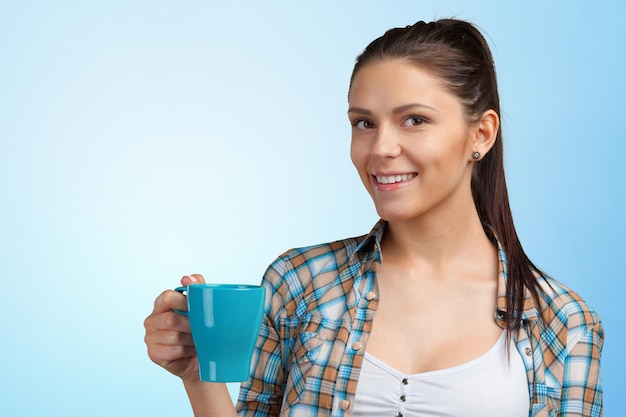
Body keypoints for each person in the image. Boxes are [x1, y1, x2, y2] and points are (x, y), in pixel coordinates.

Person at [144, 18, 604, 417]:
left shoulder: (565, 325)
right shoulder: (299, 282)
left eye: (414, 120)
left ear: (480, 134)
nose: (381, 148)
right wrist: (198, 375)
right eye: (364, 122)